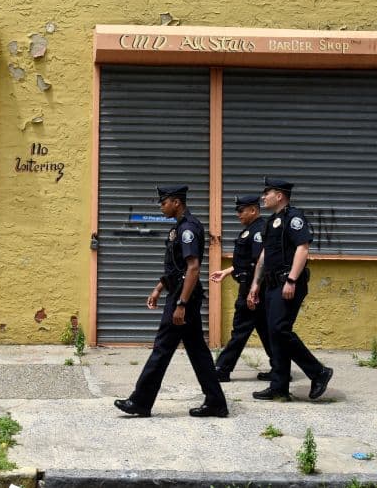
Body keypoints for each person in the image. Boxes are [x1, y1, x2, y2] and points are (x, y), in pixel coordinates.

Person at [114, 185, 228, 418]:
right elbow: (176, 269)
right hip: (180, 294)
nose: (161, 206)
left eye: (164, 202)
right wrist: (158, 289)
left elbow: (193, 268)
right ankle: (216, 402)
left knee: (162, 348)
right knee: (198, 351)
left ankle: (140, 401)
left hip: (183, 298)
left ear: (176, 202)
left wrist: (181, 304)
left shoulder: (188, 229)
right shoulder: (178, 229)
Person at [247, 177, 333, 401]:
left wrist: (292, 280)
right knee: (275, 335)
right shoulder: (270, 221)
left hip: (288, 283)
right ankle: (279, 386)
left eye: (267, 193)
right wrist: (255, 284)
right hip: (272, 284)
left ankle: (318, 372)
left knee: (279, 330)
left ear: (280, 195)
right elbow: (264, 255)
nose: (263, 197)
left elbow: (302, 249)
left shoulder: (294, 218)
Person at [209, 194, 274, 382]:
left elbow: (259, 263)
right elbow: (247, 262)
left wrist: (254, 290)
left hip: (252, 289)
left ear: (253, 210)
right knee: (266, 331)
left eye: (241, 211)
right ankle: (280, 368)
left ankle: (222, 368)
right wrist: (228, 271)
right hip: (253, 286)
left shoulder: (258, 231)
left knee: (240, 330)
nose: (238, 215)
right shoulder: (252, 229)